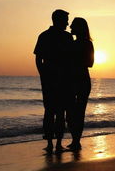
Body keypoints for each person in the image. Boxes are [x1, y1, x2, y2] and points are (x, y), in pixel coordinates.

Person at [34, 9, 73, 153]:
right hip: (52, 79)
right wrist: (43, 74)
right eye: (66, 20)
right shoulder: (45, 36)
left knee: (54, 112)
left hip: (61, 79)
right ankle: (53, 143)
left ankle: (55, 143)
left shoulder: (65, 37)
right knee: (52, 111)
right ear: (59, 20)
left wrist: (43, 75)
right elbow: (38, 58)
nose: (68, 23)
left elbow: (71, 60)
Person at [67, 17, 94, 150]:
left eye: (73, 26)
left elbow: (90, 63)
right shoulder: (71, 43)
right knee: (71, 112)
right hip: (73, 80)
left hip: (81, 79)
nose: (70, 27)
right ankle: (75, 140)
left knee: (78, 112)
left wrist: (74, 61)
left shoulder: (87, 43)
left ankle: (76, 141)